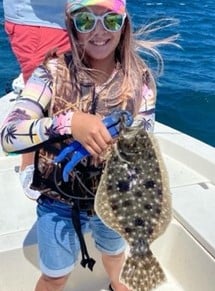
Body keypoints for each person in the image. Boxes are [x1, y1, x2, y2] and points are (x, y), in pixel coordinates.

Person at [0, 0, 177, 290]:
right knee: (55, 275)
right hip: (58, 202)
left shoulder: (139, 78)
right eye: (85, 21)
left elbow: (144, 141)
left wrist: (122, 141)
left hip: (113, 198)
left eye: (110, 20)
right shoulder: (51, 74)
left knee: (115, 253)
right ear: (71, 25)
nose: (98, 31)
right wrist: (67, 123)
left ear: (123, 24)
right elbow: (8, 136)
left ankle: (117, 283)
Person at [3, 0, 70, 199]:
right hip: (41, 21)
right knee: (42, 95)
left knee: (72, 87)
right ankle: (29, 165)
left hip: (72, 15)